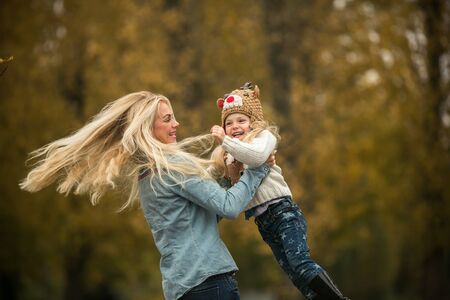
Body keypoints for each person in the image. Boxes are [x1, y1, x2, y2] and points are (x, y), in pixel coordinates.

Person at [19, 91, 273, 300]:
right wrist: (258, 168)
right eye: (167, 119)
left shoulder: (147, 174)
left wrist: (228, 174)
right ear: (147, 127)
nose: (176, 124)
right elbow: (228, 207)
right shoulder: (171, 166)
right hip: (208, 283)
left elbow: (202, 217)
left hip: (183, 287)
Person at [209, 82, 350, 300]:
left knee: (301, 264)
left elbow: (255, 157)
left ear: (253, 122)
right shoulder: (230, 154)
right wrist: (229, 165)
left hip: (283, 212)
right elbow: (230, 187)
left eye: (241, 120)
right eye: (229, 123)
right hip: (263, 222)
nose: (235, 126)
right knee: (295, 275)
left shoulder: (264, 138)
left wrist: (225, 142)